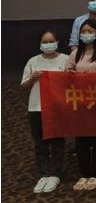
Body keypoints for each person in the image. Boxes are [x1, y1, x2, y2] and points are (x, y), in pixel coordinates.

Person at [66, 18, 96, 191]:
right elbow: (66, 75)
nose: (86, 34)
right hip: (79, 101)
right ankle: (84, 173)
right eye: (83, 32)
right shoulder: (75, 54)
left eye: (90, 31)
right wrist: (70, 74)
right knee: (81, 139)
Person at [22, 30, 68, 194]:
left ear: (57, 42)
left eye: (51, 41)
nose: (48, 45)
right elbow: (24, 85)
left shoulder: (65, 59)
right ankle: (43, 173)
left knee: (57, 141)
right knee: (40, 142)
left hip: (57, 107)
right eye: (44, 42)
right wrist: (33, 77)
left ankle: (56, 173)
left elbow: (72, 82)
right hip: (36, 107)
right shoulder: (33, 61)